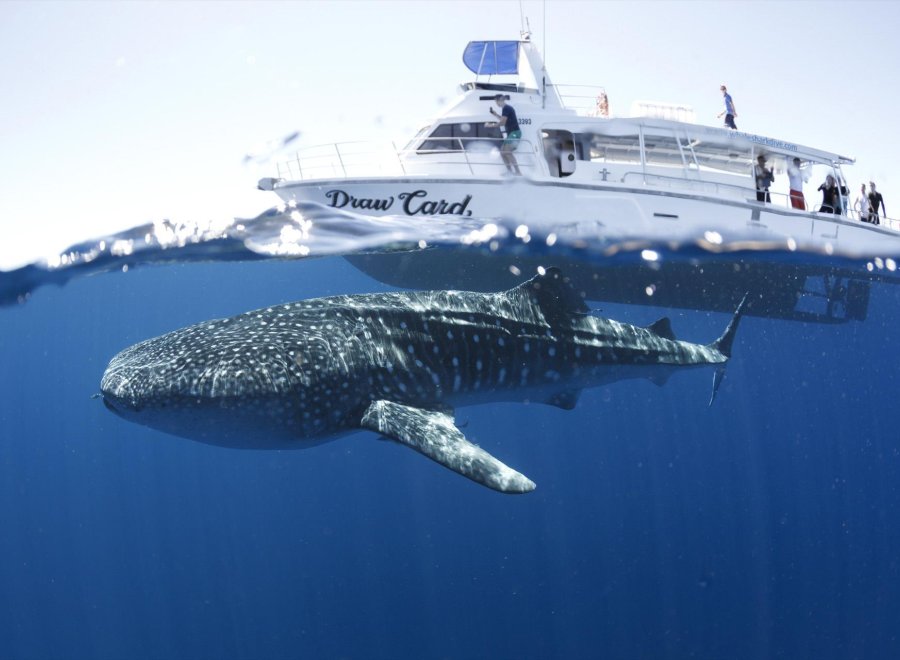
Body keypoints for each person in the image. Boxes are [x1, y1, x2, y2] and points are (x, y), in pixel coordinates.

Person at [487, 94, 522, 175]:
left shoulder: (506, 108)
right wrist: (495, 114)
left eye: (496, 101)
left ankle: (518, 172)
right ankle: (510, 172)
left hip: (515, 133)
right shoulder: (506, 108)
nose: (496, 103)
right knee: (502, 152)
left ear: (500, 100)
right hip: (512, 134)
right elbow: (503, 120)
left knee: (507, 152)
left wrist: (490, 125)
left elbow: (502, 123)